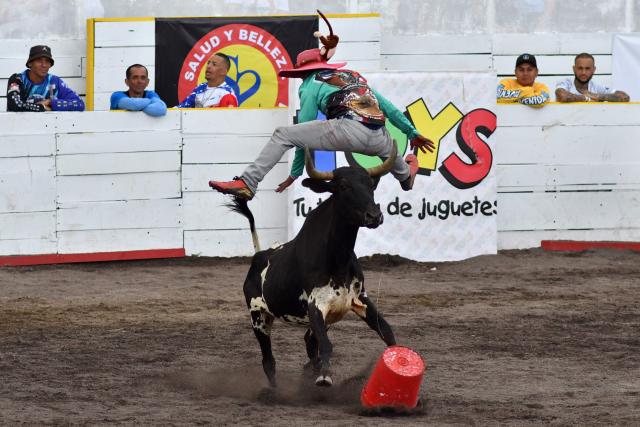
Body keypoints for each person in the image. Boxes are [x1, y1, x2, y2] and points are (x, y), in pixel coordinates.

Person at [209, 13, 434, 201]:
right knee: (389, 148)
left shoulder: (311, 84)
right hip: (380, 137)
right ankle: (405, 176)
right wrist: (412, 132)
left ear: (302, 72)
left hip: (348, 130)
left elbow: (302, 133)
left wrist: (295, 173)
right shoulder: (352, 75)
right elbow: (390, 109)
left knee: (282, 135)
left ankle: (248, 182)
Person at [6, 45, 85, 112]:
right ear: (30, 63)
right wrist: (42, 107)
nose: (44, 65)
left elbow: (80, 104)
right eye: (39, 60)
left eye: (47, 61)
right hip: (18, 128)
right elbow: (14, 105)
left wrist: (51, 102)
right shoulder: (17, 79)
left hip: (48, 128)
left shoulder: (55, 82)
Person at [555, 53, 630, 102]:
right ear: (574, 69)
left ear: (594, 70)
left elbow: (625, 97)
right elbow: (563, 96)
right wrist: (586, 98)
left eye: (587, 68)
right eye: (580, 68)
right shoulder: (566, 83)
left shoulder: (596, 88)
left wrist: (597, 96)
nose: (583, 72)